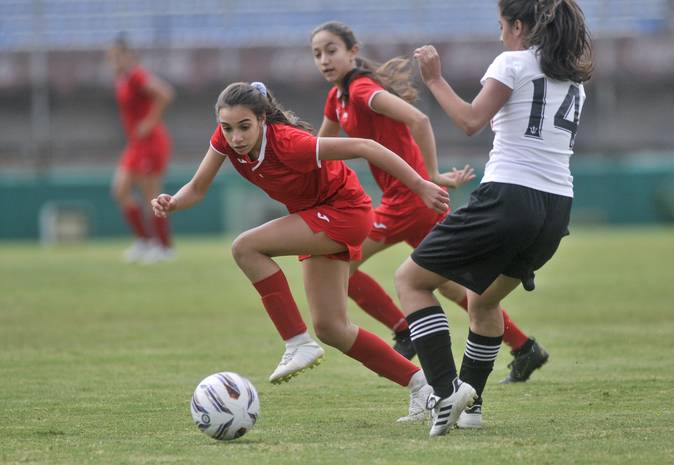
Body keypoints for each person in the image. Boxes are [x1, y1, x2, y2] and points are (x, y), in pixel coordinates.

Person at [151, 81, 450, 420]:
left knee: (245, 247)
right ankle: (426, 388)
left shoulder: (291, 143)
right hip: (317, 216)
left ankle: (296, 342)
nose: (235, 137)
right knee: (332, 328)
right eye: (228, 128)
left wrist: (421, 184)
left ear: (263, 119)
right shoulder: (227, 142)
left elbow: (366, 146)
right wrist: (172, 202)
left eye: (244, 127)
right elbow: (197, 187)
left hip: (346, 212)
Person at [310, 20, 548, 384]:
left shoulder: (361, 91)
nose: (324, 59)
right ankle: (524, 347)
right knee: (452, 286)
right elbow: (320, 152)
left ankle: (404, 329)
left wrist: (431, 175)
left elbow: (419, 119)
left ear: (353, 52)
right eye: (317, 54)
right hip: (407, 202)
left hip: (409, 201)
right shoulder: (337, 98)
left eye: (331, 50)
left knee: (342, 265)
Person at [395, 0, 592, 436]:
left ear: (519, 26)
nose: (500, 34)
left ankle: (446, 391)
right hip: (556, 207)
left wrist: (435, 79)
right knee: (483, 302)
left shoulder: (514, 61)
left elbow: (470, 121)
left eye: (502, 25)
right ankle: (472, 407)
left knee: (411, 281)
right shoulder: (573, 82)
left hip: (509, 196)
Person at [108, 35, 175, 264]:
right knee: (120, 189)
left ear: (128, 56)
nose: (114, 60)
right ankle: (145, 241)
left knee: (151, 195)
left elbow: (165, 93)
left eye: (118, 56)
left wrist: (149, 122)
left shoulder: (136, 75)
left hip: (151, 141)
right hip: (136, 144)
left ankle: (164, 247)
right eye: (112, 56)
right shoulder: (123, 79)